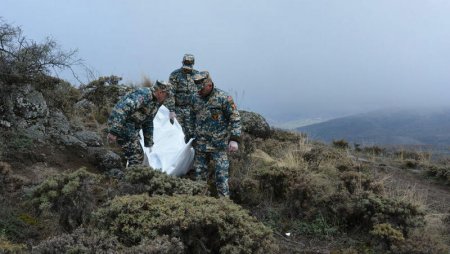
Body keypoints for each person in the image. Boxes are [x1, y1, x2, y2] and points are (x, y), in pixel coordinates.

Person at [190, 71, 241, 197]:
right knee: (199, 178)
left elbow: (235, 118)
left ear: (209, 85)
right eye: (197, 88)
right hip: (200, 145)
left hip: (219, 145)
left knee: (221, 178)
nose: (199, 91)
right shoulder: (195, 97)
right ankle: (200, 205)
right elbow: (191, 117)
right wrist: (189, 134)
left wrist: (234, 139)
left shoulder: (223, 97)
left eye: (201, 88)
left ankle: (225, 206)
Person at [107, 80, 172, 167]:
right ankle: (131, 178)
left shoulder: (156, 102)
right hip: (121, 125)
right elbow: (123, 109)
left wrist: (148, 142)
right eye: (166, 95)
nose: (167, 98)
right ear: (160, 92)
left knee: (135, 154)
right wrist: (114, 131)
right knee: (136, 156)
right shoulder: (144, 95)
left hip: (130, 128)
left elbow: (148, 121)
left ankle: (127, 175)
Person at [166, 54, 199, 141]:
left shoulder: (197, 75)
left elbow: (201, 93)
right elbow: (170, 93)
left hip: (192, 110)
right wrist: (171, 110)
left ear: (193, 63)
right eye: (186, 63)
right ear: (182, 62)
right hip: (178, 110)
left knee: (192, 134)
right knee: (177, 134)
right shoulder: (175, 74)